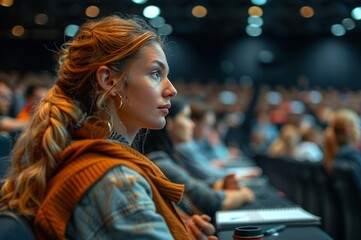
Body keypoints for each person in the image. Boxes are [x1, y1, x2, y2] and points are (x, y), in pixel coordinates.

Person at [0, 15, 217, 240]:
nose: (171, 89)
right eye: (155, 74)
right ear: (108, 80)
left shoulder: (85, 157)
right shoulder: (117, 180)